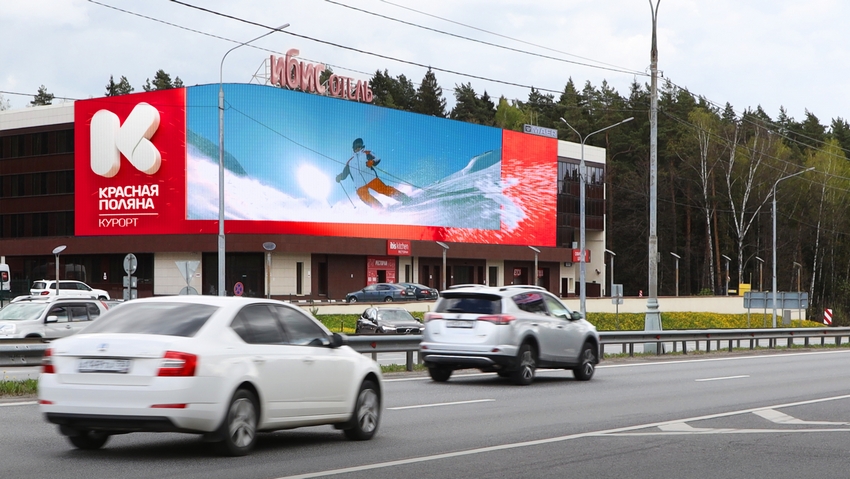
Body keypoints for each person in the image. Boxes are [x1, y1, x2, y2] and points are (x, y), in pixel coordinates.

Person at [336, 138, 409, 208]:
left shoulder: (366, 153)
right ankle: (379, 208)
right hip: (359, 184)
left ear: (362, 146)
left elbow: (377, 158)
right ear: (353, 148)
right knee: (364, 196)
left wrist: (372, 162)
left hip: (371, 178)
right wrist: (339, 177)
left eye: (359, 146)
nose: (358, 148)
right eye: (356, 147)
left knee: (383, 189)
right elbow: (344, 174)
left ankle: (404, 198)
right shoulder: (350, 162)